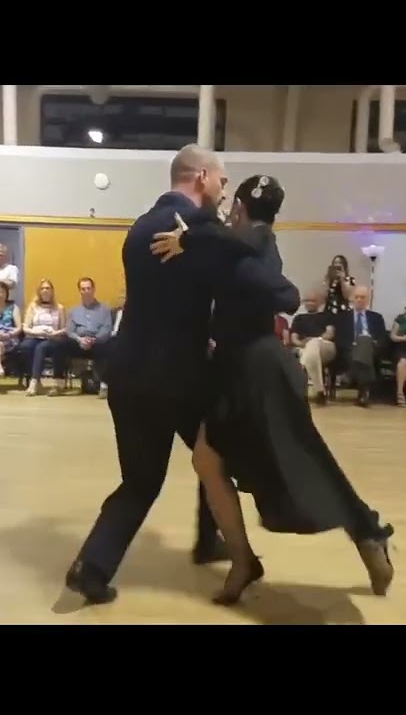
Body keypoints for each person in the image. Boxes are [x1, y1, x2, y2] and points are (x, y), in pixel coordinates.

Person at [64, 145, 295, 606]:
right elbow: (263, 282)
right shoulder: (204, 231)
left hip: (128, 374)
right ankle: (227, 547)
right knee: (218, 459)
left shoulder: (139, 228)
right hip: (183, 379)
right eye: (223, 182)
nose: (226, 192)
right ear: (203, 177)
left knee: (142, 481)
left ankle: (93, 566)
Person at [180, 175, 395, 604]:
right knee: (209, 460)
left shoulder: (252, 244)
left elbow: (285, 295)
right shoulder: (244, 241)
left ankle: (367, 532)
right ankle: (243, 562)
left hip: (259, 368)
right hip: (234, 366)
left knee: (301, 460)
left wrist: (196, 240)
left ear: (240, 207)